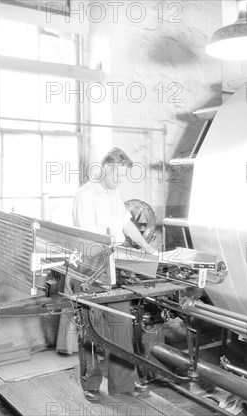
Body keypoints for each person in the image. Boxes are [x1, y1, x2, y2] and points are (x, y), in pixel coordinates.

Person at [63, 147, 157, 402]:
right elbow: (88, 236)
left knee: (121, 324)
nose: (120, 181)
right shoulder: (86, 194)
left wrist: (146, 247)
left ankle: (123, 384)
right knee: (91, 328)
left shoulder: (113, 193)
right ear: (106, 168)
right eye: (118, 175)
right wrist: (110, 249)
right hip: (90, 266)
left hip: (113, 264)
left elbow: (125, 223)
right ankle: (91, 384)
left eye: (123, 176)